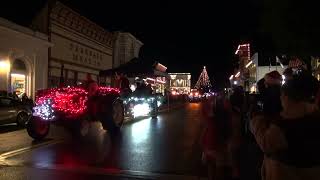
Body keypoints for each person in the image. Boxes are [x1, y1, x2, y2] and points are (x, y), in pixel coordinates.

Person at [250, 72, 320, 180]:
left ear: (289, 97)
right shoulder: (313, 114)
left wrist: (255, 121)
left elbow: (266, 143)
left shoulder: (285, 123)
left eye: (283, 95)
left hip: (285, 172)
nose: (281, 98)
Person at [201, 91, 232, 180]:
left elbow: (205, 128)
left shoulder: (211, 119)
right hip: (219, 143)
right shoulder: (225, 115)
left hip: (211, 143)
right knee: (219, 167)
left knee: (212, 166)